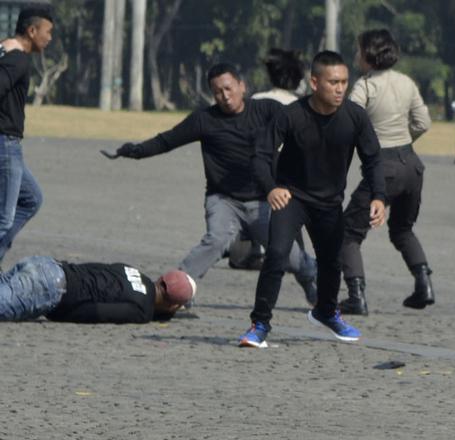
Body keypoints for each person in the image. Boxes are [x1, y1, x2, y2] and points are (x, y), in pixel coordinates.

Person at [111, 63, 317, 304]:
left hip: (263, 201)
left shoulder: (267, 110)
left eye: (229, 88)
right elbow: (167, 141)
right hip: (223, 200)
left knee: (288, 254)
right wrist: (134, 150)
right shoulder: (204, 119)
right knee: (216, 240)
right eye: (218, 91)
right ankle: (172, 293)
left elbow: (301, 126)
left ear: (242, 86)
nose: (225, 96)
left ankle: (315, 286)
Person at [240, 51, 385, 348]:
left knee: (332, 262)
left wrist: (379, 197)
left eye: (344, 81)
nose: (341, 88)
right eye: (333, 82)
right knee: (277, 255)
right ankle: (260, 324)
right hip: (290, 198)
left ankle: (326, 312)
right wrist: (270, 187)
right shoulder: (291, 115)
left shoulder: (355, 116)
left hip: (329, 203)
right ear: (315, 82)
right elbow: (261, 155)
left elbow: (372, 160)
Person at [338, 28, 434, 316]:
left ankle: (356, 295)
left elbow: (347, 124)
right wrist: (405, 140)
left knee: (348, 233)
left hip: (383, 168)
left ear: (368, 54)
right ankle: (424, 283)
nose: (356, 56)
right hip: (413, 166)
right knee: (403, 229)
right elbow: (423, 122)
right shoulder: (406, 82)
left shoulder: (364, 87)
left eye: (358, 50)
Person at [0, 6, 53, 265]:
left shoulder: (8, 52)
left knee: (32, 198)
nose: (50, 37)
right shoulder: (18, 59)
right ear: (32, 31)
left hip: (9, 145)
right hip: (5, 144)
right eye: (47, 31)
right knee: (4, 219)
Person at [0, 256, 193, 323]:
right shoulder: (142, 309)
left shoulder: (133, 270)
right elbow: (96, 312)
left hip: (46, 264)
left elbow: (94, 267)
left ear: (161, 279)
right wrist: (57, 311)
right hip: (49, 288)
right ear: (173, 306)